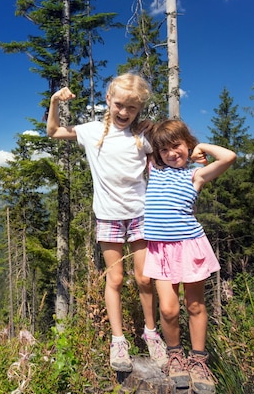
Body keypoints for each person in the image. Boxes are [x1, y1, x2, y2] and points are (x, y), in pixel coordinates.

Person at [47, 73, 167, 372]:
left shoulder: (143, 135)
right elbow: (53, 132)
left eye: (132, 108)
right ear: (108, 100)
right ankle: (118, 340)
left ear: (139, 109)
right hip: (109, 215)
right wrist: (53, 102)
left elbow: (163, 160)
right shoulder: (89, 131)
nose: (124, 112)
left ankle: (151, 333)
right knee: (114, 279)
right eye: (119, 105)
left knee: (144, 279)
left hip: (141, 214)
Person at [143, 119, 236, 393]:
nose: (172, 153)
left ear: (187, 143)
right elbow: (140, 137)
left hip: (189, 246)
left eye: (177, 146)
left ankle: (198, 360)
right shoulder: (153, 169)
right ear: (158, 154)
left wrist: (201, 146)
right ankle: (175, 355)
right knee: (169, 309)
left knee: (195, 306)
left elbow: (229, 157)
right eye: (165, 150)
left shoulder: (197, 174)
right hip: (159, 249)